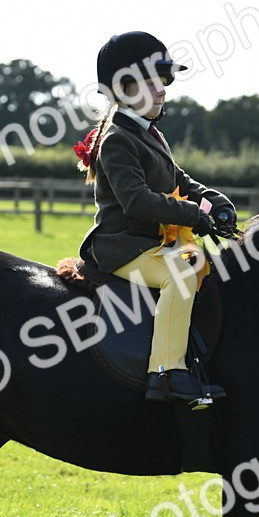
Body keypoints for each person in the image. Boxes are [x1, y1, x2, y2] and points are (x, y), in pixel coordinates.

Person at [74, 31, 236, 402]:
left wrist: (214, 202)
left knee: (204, 266)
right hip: (121, 247)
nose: (162, 91)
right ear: (123, 89)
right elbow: (137, 201)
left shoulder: (149, 134)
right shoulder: (117, 138)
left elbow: (180, 181)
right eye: (151, 83)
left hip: (152, 243)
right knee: (181, 274)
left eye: (162, 82)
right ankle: (165, 373)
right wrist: (194, 214)